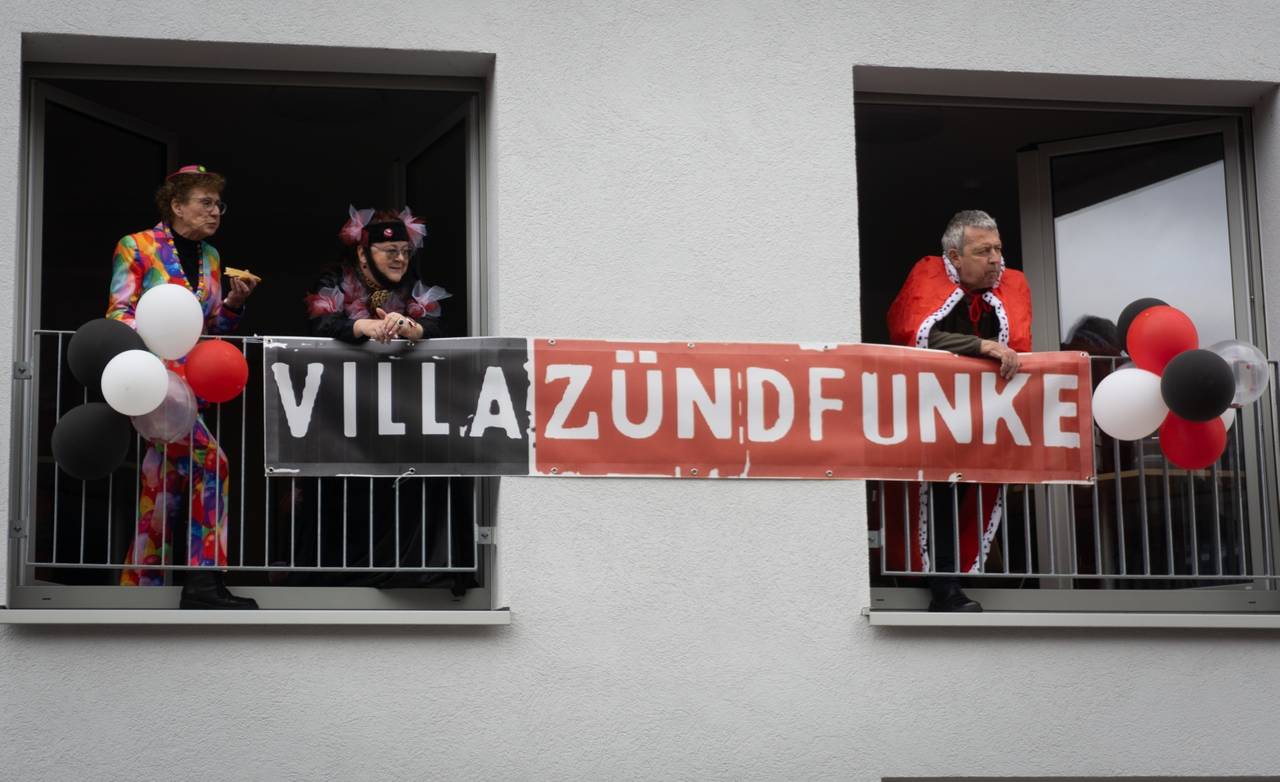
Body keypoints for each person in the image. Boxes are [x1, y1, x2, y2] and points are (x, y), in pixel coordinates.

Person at [106, 164, 260, 609]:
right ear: (176, 205)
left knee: (162, 484)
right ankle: (203, 584)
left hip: (192, 388)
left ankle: (141, 587)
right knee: (213, 465)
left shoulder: (210, 257)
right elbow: (118, 313)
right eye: (205, 203)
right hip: (153, 382)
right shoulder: (137, 245)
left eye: (218, 205)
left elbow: (209, 327)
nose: (215, 212)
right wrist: (159, 351)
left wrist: (233, 303)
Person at [884, 209, 1032, 612]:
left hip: (985, 416)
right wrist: (982, 346)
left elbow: (1019, 348)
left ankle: (979, 580)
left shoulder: (1013, 285)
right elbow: (917, 335)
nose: (996, 260)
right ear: (953, 257)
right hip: (930, 416)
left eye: (998, 249)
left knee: (978, 495)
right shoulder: (927, 276)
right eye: (983, 251)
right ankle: (945, 588)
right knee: (940, 494)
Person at [304, 206, 448, 344]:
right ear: (362, 254)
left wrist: (408, 326)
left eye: (406, 251)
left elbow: (435, 326)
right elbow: (323, 325)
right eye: (391, 251)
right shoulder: (334, 283)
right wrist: (363, 326)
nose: (401, 258)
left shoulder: (411, 286)